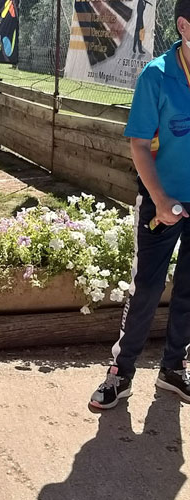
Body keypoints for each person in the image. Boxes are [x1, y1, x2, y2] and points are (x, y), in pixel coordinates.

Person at [90, 0, 190, 409]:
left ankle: (172, 369)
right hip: (161, 201)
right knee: (146, 287)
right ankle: (121, 373)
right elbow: (138, 143)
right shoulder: (157, 75)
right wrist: (161, 199)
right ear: (185, 26)